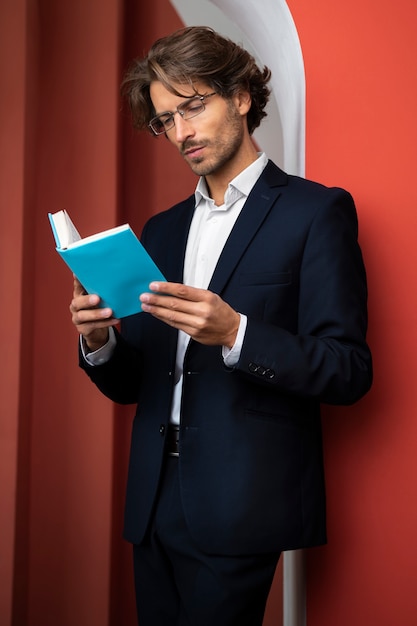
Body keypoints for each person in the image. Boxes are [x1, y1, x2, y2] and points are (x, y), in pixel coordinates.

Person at [69, 26, 372, 626]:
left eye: (193, 106)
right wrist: (99, 342)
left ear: (238, 96)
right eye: (165, 120)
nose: (181, 132)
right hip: (153, 500)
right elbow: (141, 383)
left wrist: (236, 332)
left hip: (243, 499)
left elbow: (349, 369)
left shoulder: (316, 212)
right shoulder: (159, 230)